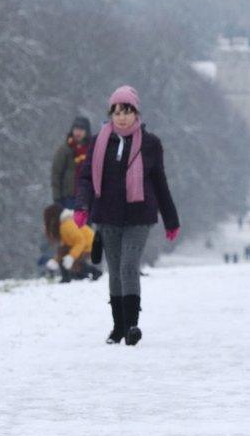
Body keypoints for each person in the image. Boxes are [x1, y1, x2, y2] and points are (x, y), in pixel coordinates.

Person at [76, 86, 180, 346]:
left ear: (136, 113)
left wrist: (171, 219)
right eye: (117, 111)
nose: (122, 117)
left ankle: (132, 325)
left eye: (127, 111)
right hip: (107, 215)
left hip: (139, 216)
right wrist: (82, 206)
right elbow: (87, 177)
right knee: (114, 271)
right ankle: (118, 327)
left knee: (128, 266)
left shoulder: (151, 144)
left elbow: (159, 183)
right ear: (111, 113)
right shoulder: (99, 142)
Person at [42, 203, 103, 282]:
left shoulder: (67, 225)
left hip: (90, 246)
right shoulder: (63, 225)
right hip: (86, 245)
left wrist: (71, 257)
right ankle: (71, 276)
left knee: (73, 260)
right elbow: (64, 247)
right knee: (63, 252)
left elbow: (81, 241)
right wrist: (55, 260)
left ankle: (95, 272)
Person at [51, 116, 92, 209]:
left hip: (86, 197)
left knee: (84, 223)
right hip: (68, 197)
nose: (78, 132)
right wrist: (57, 197)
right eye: (76, 128)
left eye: (81, 129)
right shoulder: (65, 149)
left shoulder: (91, 150)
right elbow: (56, 174)